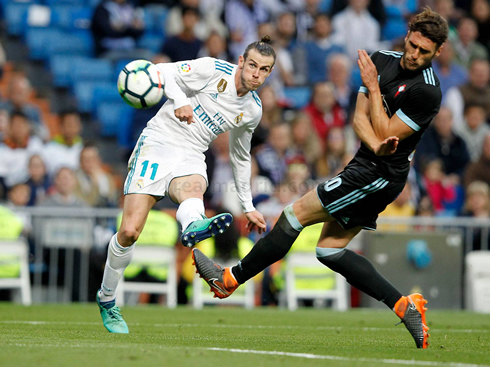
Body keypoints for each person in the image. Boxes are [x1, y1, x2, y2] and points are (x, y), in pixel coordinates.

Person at [192, 7, 449, 349]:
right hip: (367, 163)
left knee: (293, 215)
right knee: (329, 251)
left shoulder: (427, 91)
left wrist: (373, 89)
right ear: (407, 36)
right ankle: (405, 306)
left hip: (380, 176)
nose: (415, 55)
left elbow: (388, 129)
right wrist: (375, 143)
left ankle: (229, 279)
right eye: (413, 45)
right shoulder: (381, 58)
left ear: (439, 52)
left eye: (424, 52)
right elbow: (360, 120)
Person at [96, 37, 275, 333]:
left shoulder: (253, 110)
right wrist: (180, 101)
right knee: (129, 232)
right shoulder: (212, 69)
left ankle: (193, 224)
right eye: (253, 65)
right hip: (158, 142)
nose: (256, 73)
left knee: (193, 189)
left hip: (192, 153)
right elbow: (162, 72)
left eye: (264, 69)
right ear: (241, 62)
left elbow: (241, 156)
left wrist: (248, 205)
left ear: (269, 74)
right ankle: (107, 298)